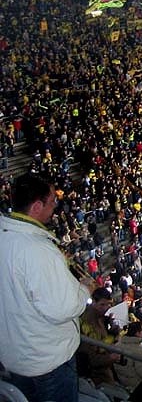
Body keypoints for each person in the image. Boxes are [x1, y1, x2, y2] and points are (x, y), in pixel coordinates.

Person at [0, 172, 91, 402]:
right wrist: (83, 290)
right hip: (46, 363)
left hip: (13, 356)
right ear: (37, 206)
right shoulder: (38, 251)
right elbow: (62, 308)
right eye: (52, 201)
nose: (55, 207)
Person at [116, 321, 142, 392]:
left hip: (122, 382)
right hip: (136, 386)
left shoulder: (117, 345)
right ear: (137, 333)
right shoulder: (139, 351)